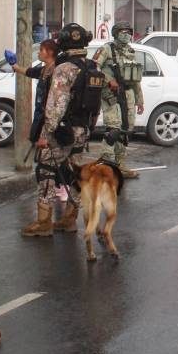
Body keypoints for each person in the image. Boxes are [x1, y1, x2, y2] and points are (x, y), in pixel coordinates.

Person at [23, 26, 96, 237]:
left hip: (62, 131)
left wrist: (45, 135)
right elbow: (95, 104)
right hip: (83, 130)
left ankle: (44, 222)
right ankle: (69, 219)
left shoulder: (65, 69)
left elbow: (56, 105)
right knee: (74, 172)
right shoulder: (91, 66)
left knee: (45, 168)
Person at [93, 22, 144, 179]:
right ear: (115, 33)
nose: (126, 34)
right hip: (111, 95)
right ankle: (106, 166)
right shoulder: (106, 49)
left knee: (125, 130)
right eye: (123, 31)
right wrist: (109, 80)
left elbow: (135, 79)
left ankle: (120, 165)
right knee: (113, 130)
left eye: (129, 32)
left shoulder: (130, 51)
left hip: (128, 94)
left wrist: (139, 100)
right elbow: (93, 67)